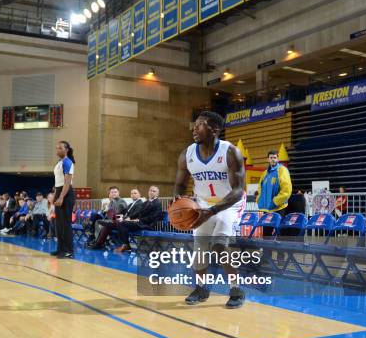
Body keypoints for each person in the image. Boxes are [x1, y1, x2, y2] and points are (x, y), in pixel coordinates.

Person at [174, 111, 247, 309]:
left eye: (200, 125)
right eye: (194, 125)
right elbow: (180, 184)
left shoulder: (230, 152)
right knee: (200, 249)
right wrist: (178, 202)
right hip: (203, 204)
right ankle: (201, 288)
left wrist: (213, 211)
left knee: (219, 246)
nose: (194, 129)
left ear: (214, 129)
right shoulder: (187, 153)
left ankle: (236, 289)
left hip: (229, 203)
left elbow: (238, 190)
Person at [114, 186, 163, 252]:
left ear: (157, 194)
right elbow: (138, 212)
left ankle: (126, 245)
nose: (151, 192)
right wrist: (130, 218)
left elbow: (153, 217)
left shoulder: (158, 203)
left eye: (154, 191)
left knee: (123, 224)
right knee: (121, 223)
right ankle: (125, 244)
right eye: (150, 190)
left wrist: (139, 220)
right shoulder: (146, 202)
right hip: (140, 223)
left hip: (148, 225)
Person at [257, 150, 292, 236]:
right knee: (266, 233)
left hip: (279, 208)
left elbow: (287, 190)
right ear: (268, 159)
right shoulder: (265, 173)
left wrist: (275, 201)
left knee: (279, 233)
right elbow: (260, 187)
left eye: (275, 158)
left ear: (278, 159)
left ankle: (281, 250)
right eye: (271, 158)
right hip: (267, 209)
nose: (273, 159)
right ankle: (266, 249)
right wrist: (259, 200)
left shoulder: (282, 170)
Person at [52, 141, 76, 259]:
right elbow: (58, 182)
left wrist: (61, 197)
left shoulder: (68, 162)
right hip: (59, 192)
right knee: (58, 223)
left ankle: (69, 251)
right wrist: (55, 196)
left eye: (60, 148)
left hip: (66, 194)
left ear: (66, 150)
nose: (58, 150)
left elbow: (67, 182)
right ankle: (60, 249)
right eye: (57, 148)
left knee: (66, 224)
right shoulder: (59, 163)